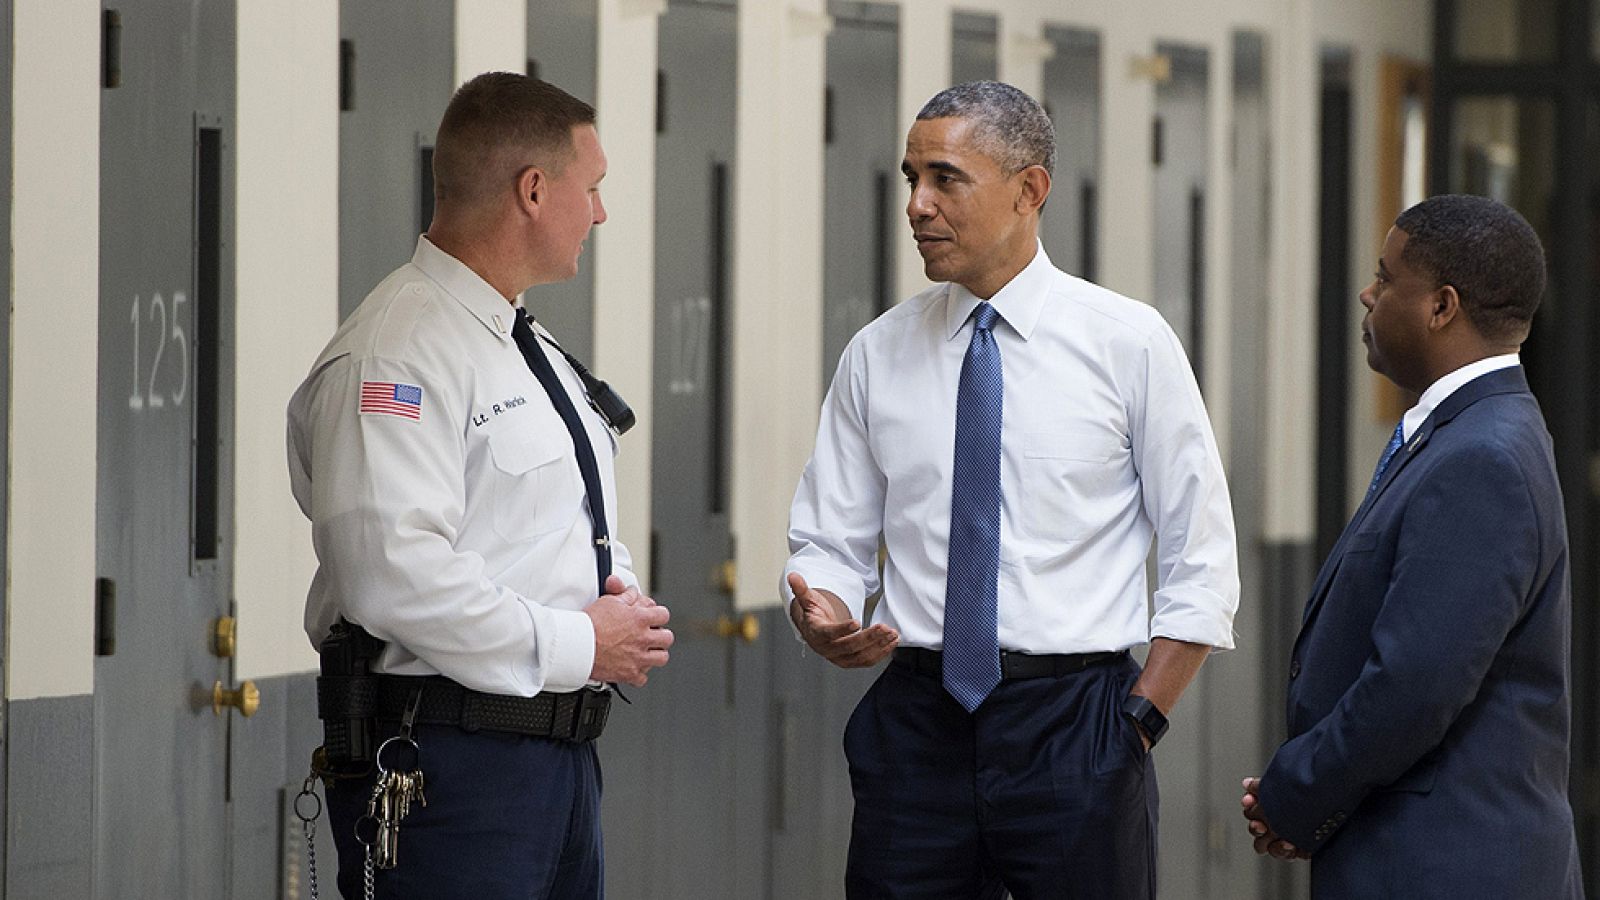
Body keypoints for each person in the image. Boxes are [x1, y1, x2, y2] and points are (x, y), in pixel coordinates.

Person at [782, 81, 1239, 899]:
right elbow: (829, 541)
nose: (917, 205)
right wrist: (824, 609)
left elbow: (1201, 554)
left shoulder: (1128, 345)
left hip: (1077, 726)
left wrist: (1137, 727)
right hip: (916, 726)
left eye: (945, 178)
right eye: (910, 177)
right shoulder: (878, 354)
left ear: (1030, 191)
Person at [288, 72, 672, 899]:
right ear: (534, 191)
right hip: (449, 770)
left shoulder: (515, 341)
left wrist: (620, 603)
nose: (601, 213)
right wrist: (581, 642)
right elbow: (392, 571)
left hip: (555, 762)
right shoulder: (399, 350)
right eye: (593, 188)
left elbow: (550, 518)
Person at [1241, 194, 1582, 897]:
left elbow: (1414, 686)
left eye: (1387, 277)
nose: (1368, 294)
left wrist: (1296, 796)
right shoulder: (1471, 432)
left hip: (1447, 865)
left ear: (1441, 306)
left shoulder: (1481, 455)